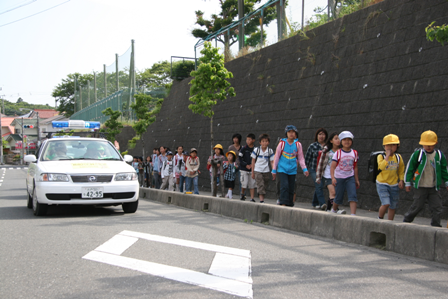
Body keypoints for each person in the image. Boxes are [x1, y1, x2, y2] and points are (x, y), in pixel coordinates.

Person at [403, 130, 448, 227]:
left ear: (435, 144)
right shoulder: (418, 154)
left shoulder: (439, 155)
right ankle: (407, 220)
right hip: (420, 185)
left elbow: (444, 170)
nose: (428, 147)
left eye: (430, 145)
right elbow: (410, 168)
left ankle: (436, 225)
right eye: (426, 144)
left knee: (437, 207)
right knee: (417, 206)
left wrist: (447, 182)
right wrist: (407, 182)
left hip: (433, 186)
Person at [272, 125, 309, 207]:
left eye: (293, 132)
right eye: (289, 132)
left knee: (291, 187)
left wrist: (304, 169)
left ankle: (290, 203)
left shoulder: (298, 144)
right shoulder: (282, 144)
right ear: (286, 133)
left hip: (292, 169)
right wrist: (274, 170)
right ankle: (283, 202)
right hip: (282, 168)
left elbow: (301, 158)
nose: (291, 134)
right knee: (284, 185)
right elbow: (277, 157)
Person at [376, 134, 405, 220]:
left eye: (393, 145)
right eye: (388, 145)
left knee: (393, 205)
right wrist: (387, 156)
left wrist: (401, 180)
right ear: (384, 146)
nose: (390, 147)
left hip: (394, 184)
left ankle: (390, 222)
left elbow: (401, 170)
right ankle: (380, 218)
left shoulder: (398, 157)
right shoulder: (381, 156)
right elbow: (381, 167)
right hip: (382, 183)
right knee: (386, 203)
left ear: (397, 146)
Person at [330, 131, 359, 215]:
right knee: (338, 197)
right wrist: (333, 178)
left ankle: (353, 214)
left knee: (353, 196)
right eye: (344, 140)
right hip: (339, 177)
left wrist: (356, 179)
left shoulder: (354, 153)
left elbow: (355, 167)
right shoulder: (338, 153)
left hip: (350, 177)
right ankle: (334, 209)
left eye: (349, 140)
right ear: (341, 141)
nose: (347, 141)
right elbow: (333, 167)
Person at [316, 132, 343, 212]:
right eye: (336, 138)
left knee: (335, 193)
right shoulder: (327, 151)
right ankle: (336, 209)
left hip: (339, 175)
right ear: (331, 141)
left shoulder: (342, 151)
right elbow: (321, 164)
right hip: (328, 175)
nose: (338, 141)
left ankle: (328, 208)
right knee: (333, 192)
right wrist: (318, 177)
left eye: (339, 139)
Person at [305, 128, 328, 210]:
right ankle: (322, 204)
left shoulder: (327, 147)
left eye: (323, 134)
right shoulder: (312, 146)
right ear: (317, 136)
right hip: (313, 168)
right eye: (320, 134)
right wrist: (305, 169)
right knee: (319, 184)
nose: (321, 136)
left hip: (323, 170)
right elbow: (307, 158)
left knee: (319, 186)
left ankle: (315, 203)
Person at [251, 134, 275, 203]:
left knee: (264, 184)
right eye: (263, 141)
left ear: (268, 142)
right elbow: (253, 161)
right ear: (260, 142)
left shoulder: (270, 151)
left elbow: (272, 162)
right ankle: (262, 200)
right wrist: (252, 172)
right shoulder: (256, 150)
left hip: (266, 170)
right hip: (257, 170)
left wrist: (273, 171)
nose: (264, 143)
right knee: (260, 184)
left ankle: (262, 198)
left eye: (266, 141)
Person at [239, 133, 256, 201]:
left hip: (252, 169)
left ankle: (252, 198)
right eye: (247, 139)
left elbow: (257, 158)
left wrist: (252, 165)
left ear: (253, 140)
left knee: (252, 184)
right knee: (244, 183)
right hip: (244, 169)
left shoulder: (255, 149)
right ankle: (242, 193)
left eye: (249, 139)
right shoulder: (243, 148)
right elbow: (240, 158)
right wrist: (245, 165)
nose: (248, 141)